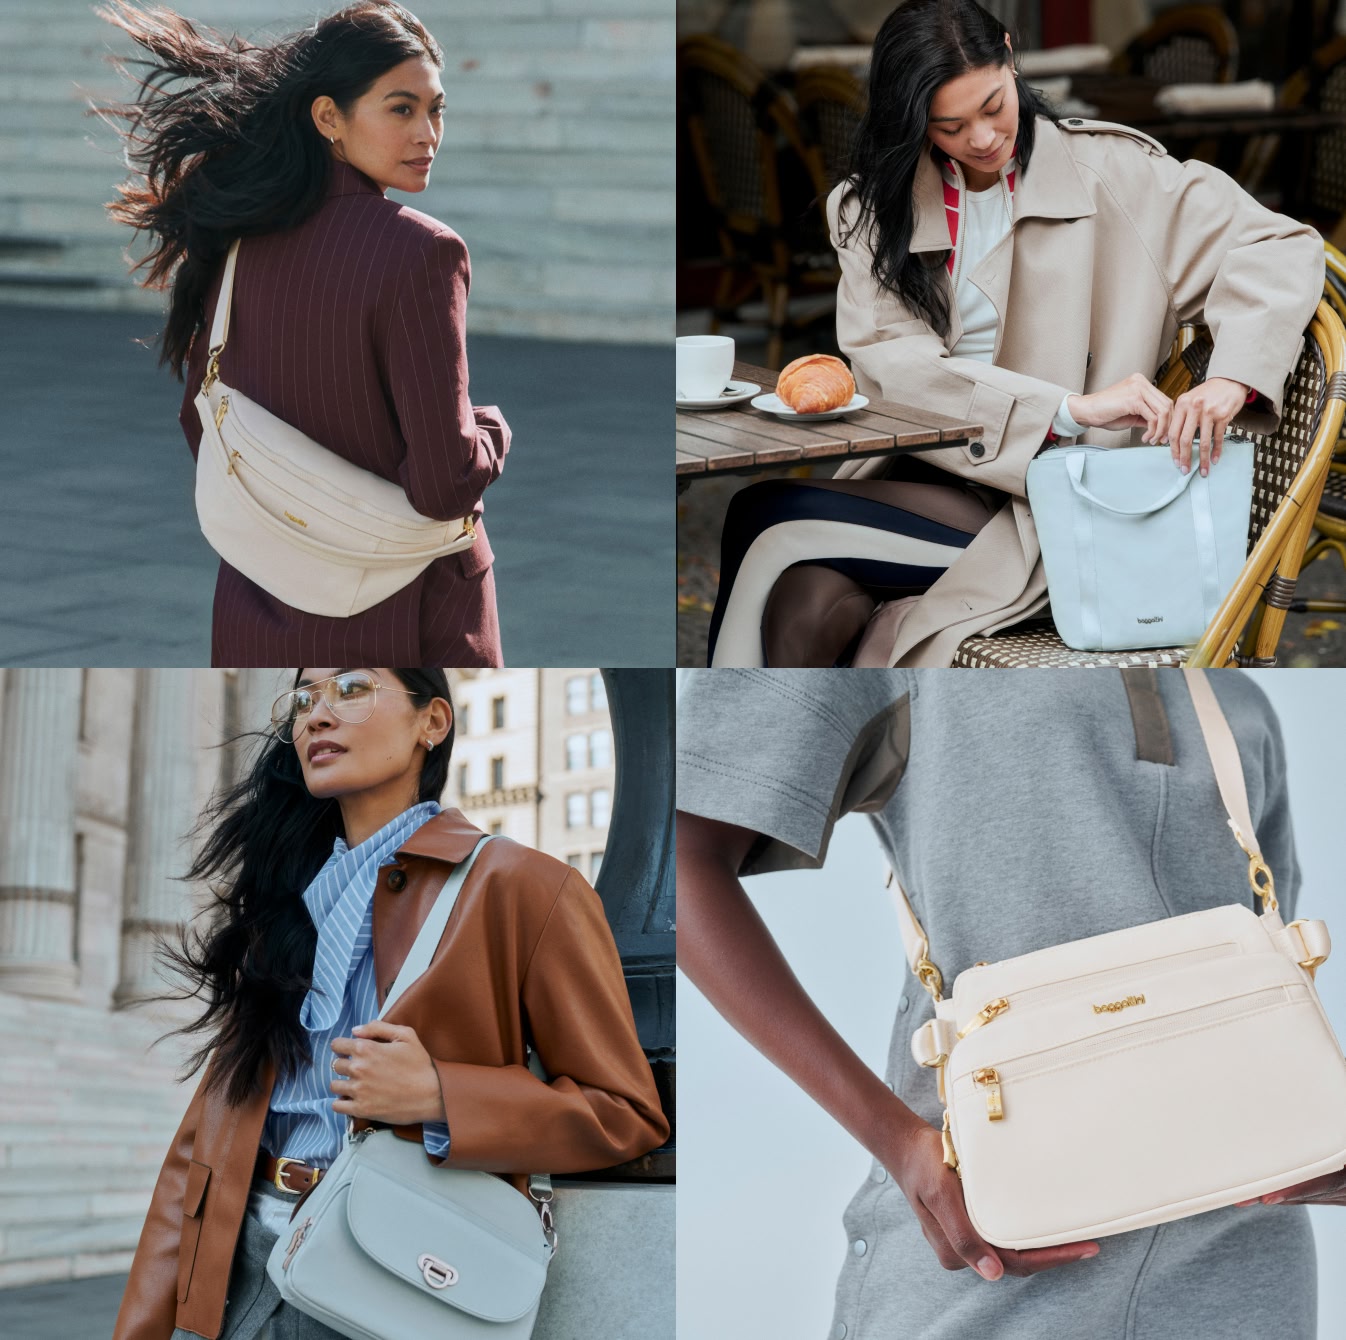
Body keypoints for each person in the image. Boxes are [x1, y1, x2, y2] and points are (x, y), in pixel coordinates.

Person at [676, 667, 1340, 1339]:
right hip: (990, 1243)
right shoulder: (908, 629)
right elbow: (682, 861)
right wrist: (899, 1142)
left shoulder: (1236, 697)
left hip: (1245, 1268)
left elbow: (1262, 975)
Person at [706, 0, 1324, 669]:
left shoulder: (1115, 176)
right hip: (924, 472)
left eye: (994, 105)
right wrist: (1063, 408)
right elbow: (894, 365)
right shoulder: (870, 210)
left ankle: (718, 758)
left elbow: (1279, 243)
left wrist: (1231, 378)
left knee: (767, 517)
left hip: (1054, 499)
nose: (980, 138)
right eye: (949, 125)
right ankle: (792, 765)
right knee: (803, 599)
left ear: (1008, 54)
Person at [113, 668, 667, 1340]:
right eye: (304, 698)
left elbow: (626, 1112)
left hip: (389, 1263)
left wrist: (441, 1096)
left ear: (432, 722)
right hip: (234, 1270)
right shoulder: (282, 903)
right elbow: (206, 1133)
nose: (317, 714)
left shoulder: (524, 888)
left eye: (351, 688)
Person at [93, 2, 510, 666]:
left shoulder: (240, 237)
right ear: (327, 118)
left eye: (437, 110)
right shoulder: (423, 251)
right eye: (401, 109)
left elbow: (202, 420)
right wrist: (489, 431)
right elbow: (442, 484)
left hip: (257, 596)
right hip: (408, 609)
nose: (428, 133)